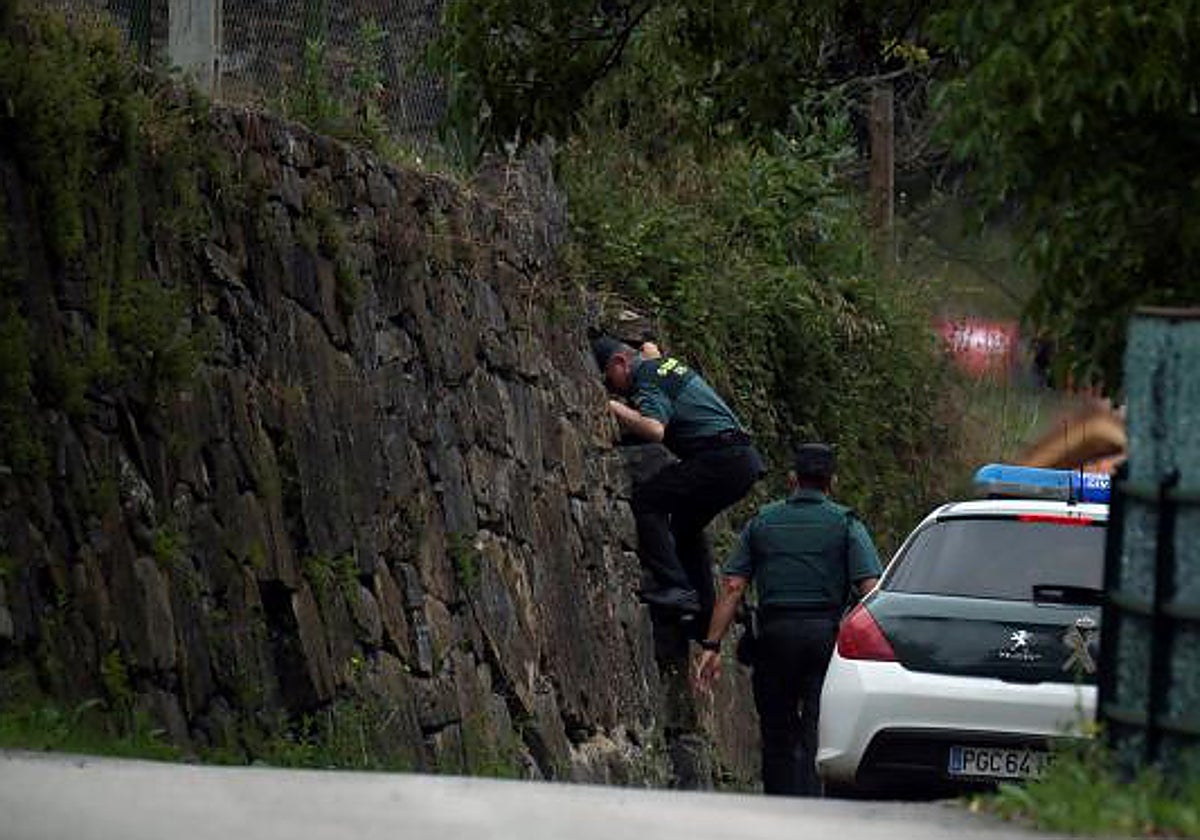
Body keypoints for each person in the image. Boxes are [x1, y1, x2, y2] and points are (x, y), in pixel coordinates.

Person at [693, 443, 882, 796]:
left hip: (775, 637)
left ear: (792, 479)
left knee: (777, 730)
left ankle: (777, 806)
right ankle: (809, 809)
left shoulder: (762, 521)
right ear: (832, 482)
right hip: (826, 637)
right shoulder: (846, 524)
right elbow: (870, 590)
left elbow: (733, 587)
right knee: (816, 729)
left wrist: (711, 645)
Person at [592, 335, 764, 618]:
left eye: (609, 379)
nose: (614, 388)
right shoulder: (659, 365)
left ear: (621, 362)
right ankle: (703, 617)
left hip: (720, 458)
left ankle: (676, 587)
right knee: (685, 527)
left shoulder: (644, 379)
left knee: (648, 502)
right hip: (742, 460)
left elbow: (655, 429)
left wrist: (613, 407)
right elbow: (649, 348)